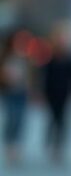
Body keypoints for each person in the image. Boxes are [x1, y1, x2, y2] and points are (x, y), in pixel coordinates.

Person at [41, 25, 71, 163]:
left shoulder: (70, 58)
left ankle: (59, 148)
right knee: (52, 120)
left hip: (64, 94)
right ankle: (50, 144)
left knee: (62, 121)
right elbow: (45, 76)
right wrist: (41, 93)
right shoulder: (50, 58)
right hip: (51, 94)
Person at [0, 31, 31, 167]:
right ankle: (9, 144)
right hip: (9, 92)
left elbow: (32, 75)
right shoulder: (6, 56)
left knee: (20, 119)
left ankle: (16, 145)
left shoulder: (26, 58)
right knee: (12, 117)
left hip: (22, 92)